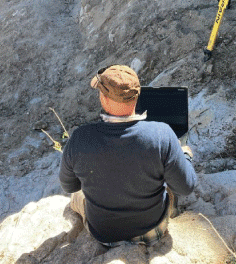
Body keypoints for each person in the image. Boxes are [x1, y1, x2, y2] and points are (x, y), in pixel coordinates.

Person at [59, 64, 197, 247]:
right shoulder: (162, 134)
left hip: (103, 234)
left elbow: (69, 185)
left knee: (76, 197)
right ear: (138, 96)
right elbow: (185, 188)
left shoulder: (80, 138)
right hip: (152, 231)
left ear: (104, 99)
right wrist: (184, 156)